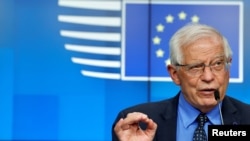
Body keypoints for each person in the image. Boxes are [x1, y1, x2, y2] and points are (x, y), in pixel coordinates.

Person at [111, 23, 250, 141]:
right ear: (175, 74)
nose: (208, 77)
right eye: (195, 67)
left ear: (228, 68)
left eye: (218, 64)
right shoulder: (137, 125)